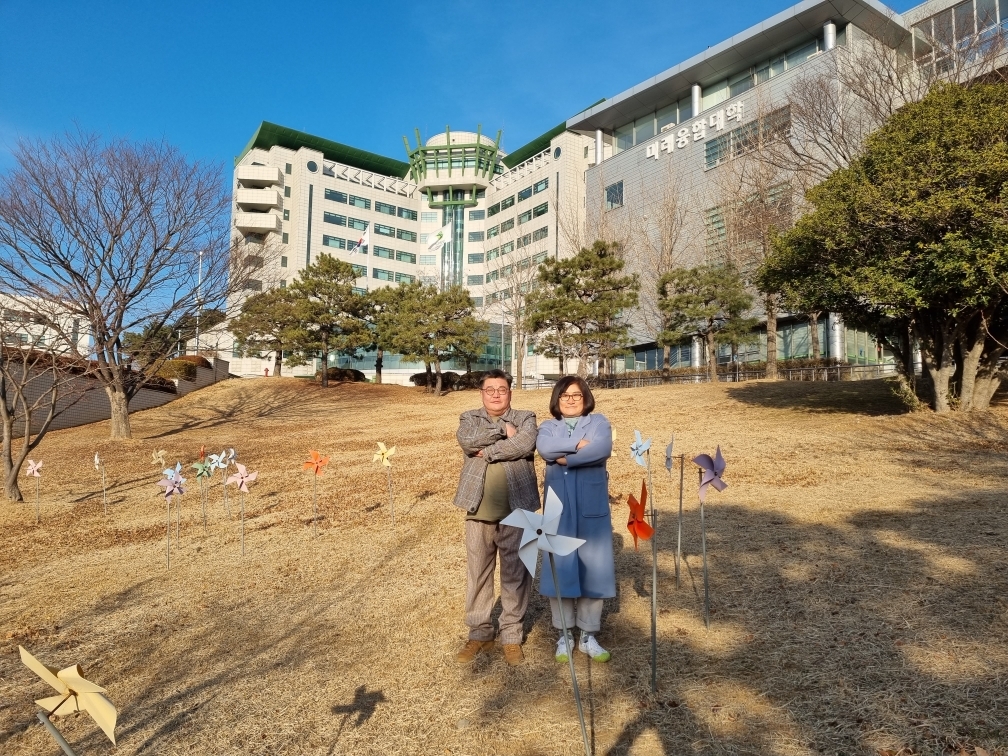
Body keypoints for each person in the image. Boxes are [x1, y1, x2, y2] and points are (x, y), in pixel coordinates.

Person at [453, 369, 540, 666]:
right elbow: (467, 442)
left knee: (517, 574)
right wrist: (503, 431)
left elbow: (525, 444)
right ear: (482, 393)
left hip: (519, 508)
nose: (495, 395)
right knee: (478, 572)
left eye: (501, 389)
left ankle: (511, 636)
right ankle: (480, 633)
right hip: (478, 509)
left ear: (510, 393)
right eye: (490, 390)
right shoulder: (469, 417)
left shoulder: (527, 416)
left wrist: (488, 451)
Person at [535, 376, 615, 663]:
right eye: (565, 395)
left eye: (576, 395)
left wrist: (566, 458)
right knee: (562, 568)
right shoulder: (547, 427)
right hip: (559, 508)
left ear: (585, 398)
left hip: (592, 507)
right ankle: (564, 634)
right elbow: (545, 449)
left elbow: (602, 448)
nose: (570, 400)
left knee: (595, 567)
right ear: (557, 399)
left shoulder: (599, 422)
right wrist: (579, 445)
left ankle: (588, 635)